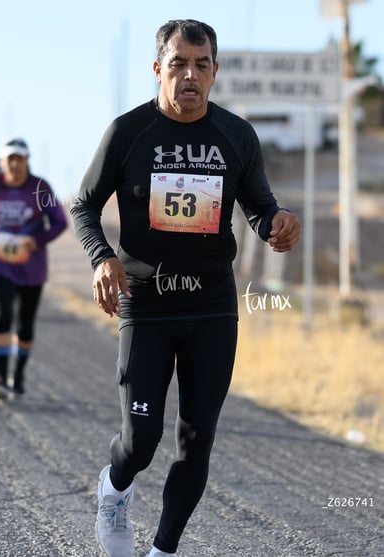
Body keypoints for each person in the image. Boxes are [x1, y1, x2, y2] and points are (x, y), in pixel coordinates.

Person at [70, 19, 301, 557]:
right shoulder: (128, 133)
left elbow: (260, 206)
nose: (189, 75)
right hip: (146, 306)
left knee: (197, 443)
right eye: (178, 64)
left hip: (212, 307)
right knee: (140, 443)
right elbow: (83, 205)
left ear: (215, 72)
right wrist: (102, 258)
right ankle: (115, 487)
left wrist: (278, 221)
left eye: (201, 65)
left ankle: (163, 550)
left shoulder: (237, 136)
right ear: (158, 69)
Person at [0, 137, 67, 400]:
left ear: (27, 160)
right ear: (2, 162)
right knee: (2, 314)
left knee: (25, 325)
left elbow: (59, 222)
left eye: (19, 158)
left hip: (31, 266)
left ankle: (19, 376)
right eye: (9, 159)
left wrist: (35, 240)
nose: (14, 164)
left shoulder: (40, 188)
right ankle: (1, 379)